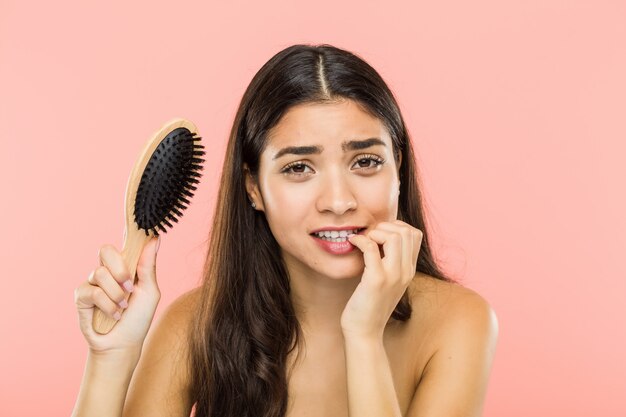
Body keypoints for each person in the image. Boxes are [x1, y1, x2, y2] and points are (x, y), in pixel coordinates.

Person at [72, 43, 498, 417]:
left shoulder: (457, 321)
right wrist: (110, 356)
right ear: (253, 188)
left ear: (398, 168)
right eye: (299, 168)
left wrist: (364, 336)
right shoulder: (194, 326)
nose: (338, 200)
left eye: (366, 161)